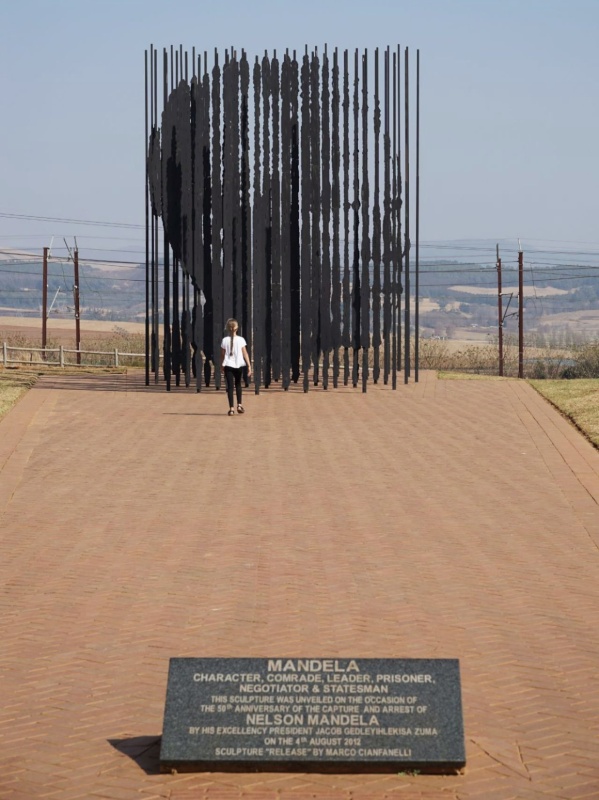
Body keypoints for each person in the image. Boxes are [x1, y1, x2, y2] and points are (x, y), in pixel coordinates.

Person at [220, 318, 252, 416]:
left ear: (227, 328)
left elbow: (222, 354)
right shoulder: (241, 340)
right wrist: (249, 365)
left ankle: (231, 408)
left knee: (230, 387)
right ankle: (239, 405)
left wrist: (222, 365)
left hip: (228, 365)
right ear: (237, 328)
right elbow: (245, 353)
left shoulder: (224, 340)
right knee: (238, 385)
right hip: (239, 365)